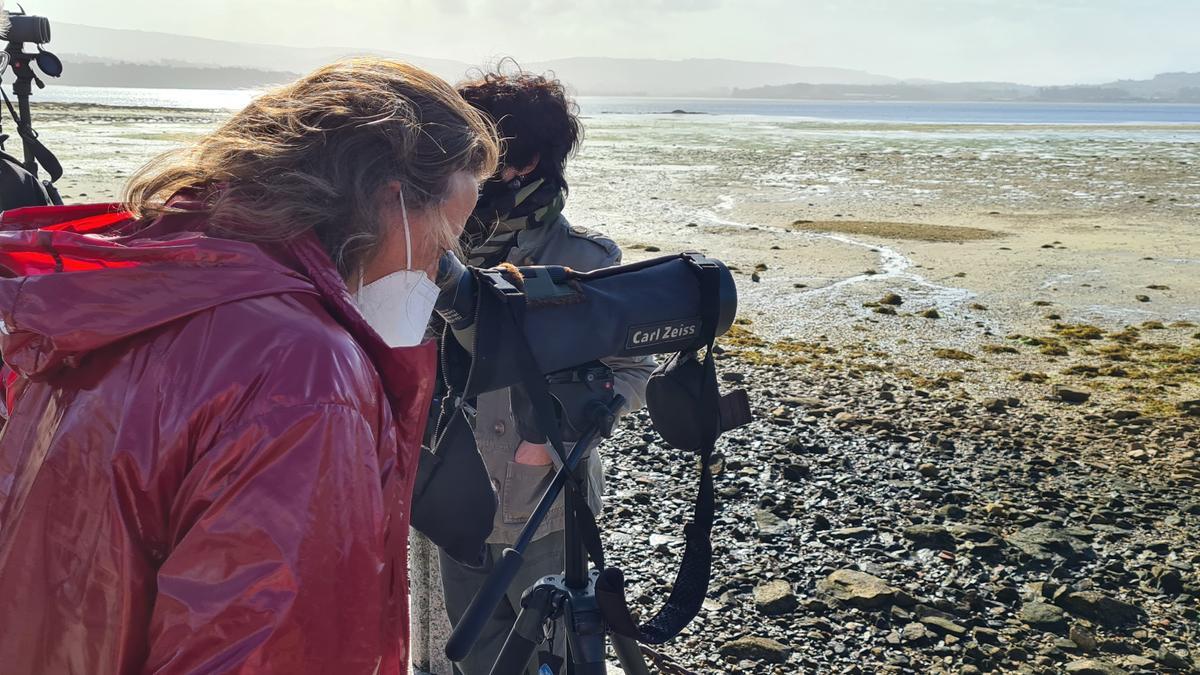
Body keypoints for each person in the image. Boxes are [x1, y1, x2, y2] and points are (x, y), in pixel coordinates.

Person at [0, 59, 498, 674]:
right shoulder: (304, 373)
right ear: (388, 201)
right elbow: (266, 650)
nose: (440, 266)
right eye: (446, 235)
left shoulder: (128, 294)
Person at [436, 69, 655, 675]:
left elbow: (632, 373)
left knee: (551, 657)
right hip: (449, 498)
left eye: (483, 155)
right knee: (474, 655)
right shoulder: (433, 249)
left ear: (527, 161)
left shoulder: (584, 259)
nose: (470, 172)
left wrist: (546, 439)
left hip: (546, 504)